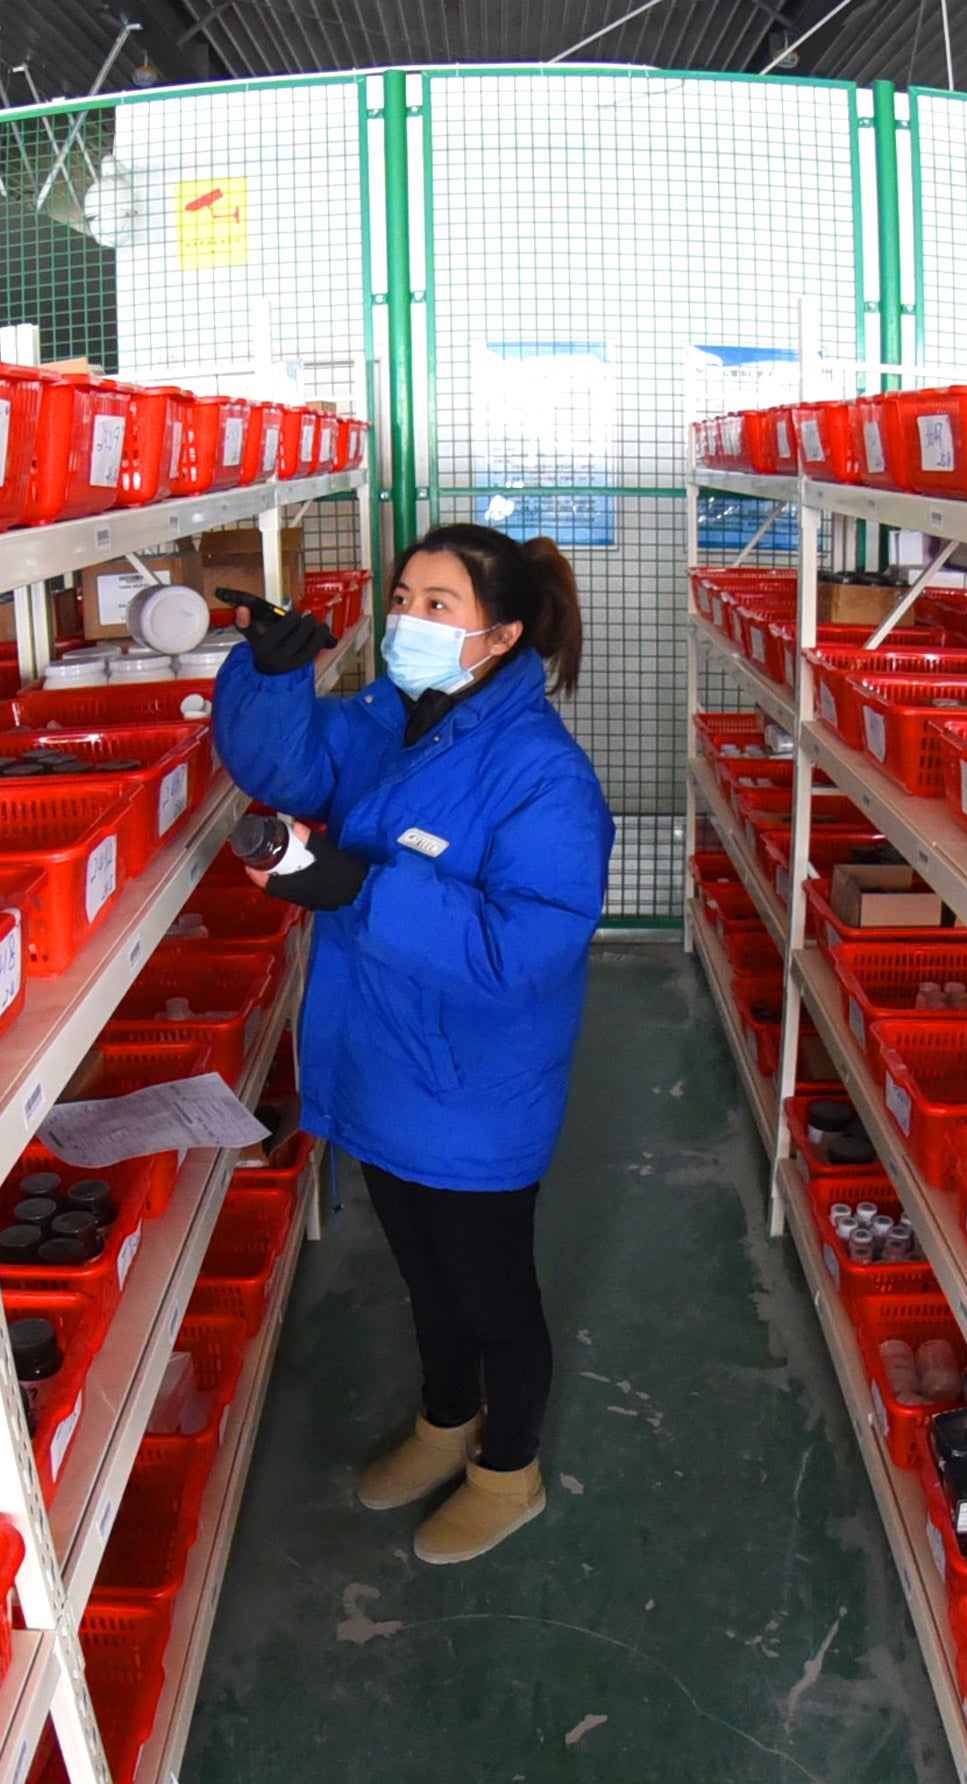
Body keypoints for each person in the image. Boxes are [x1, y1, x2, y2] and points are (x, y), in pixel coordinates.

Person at [210, 524, 613, 1564]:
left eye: (439, 605)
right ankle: (445, 1422)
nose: (408, 620)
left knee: (492, 1292)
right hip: (377, 1065)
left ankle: (508, 1466)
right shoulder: (390, 719)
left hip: (472, 1087)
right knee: (423, 1276)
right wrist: (273, 673)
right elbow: (284, 761)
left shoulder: (542, 776)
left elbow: (525, 950)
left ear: (500, 636)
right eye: (402, 597)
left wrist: (360, 887)